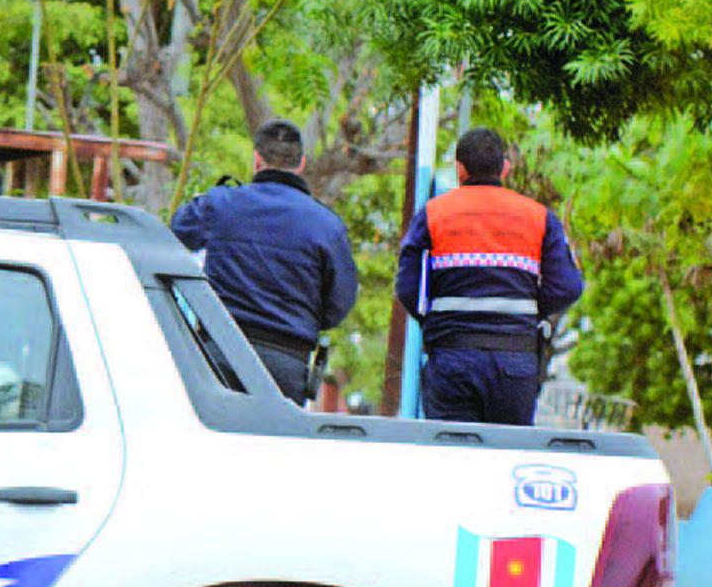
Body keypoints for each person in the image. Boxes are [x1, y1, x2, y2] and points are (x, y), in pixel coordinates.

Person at [395, 127, 584, 426]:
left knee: (453, 457)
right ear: (505, 168)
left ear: (459, 169)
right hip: (514, 363)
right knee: (506, 457)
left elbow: (407, 286)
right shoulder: (538, 217)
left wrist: (433, 320)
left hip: (452, 358)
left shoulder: (434, 214)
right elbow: (568, 286)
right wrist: (530, 311)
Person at [171, 119, 357, 403]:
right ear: (302, 163)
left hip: (221, 352)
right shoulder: (326, 225)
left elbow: (175, 234)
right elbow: (340, 301)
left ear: (257, 159)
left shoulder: (222, 204)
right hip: (287, 363)